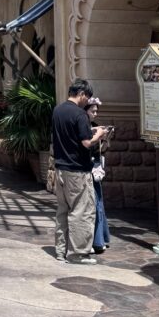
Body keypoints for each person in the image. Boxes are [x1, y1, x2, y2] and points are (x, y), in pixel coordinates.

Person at [52, 78, 108, 264]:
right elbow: (86, 143)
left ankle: (61, 251)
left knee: (62, 211)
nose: (88, 101)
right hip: (78, 171)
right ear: (82, 94)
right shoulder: (80, 114)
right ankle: (77, 254)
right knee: (81, 212)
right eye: (88, 98)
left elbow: (68, 136)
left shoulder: (58, 110)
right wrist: (98, 135)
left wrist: (90, 131)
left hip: (60, 169)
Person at [86, 97, 111, 254]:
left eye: (96, 111)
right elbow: (86, 145)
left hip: (96, 166)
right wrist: (96, 137)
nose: (95, 114)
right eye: (92, 111)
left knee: (98, 201)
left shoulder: (95, 126)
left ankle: (100, 239)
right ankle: (95, 241)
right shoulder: (83, 127)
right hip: (86, 167)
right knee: (93, 203)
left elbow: (103, 148)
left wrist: (105, 139)